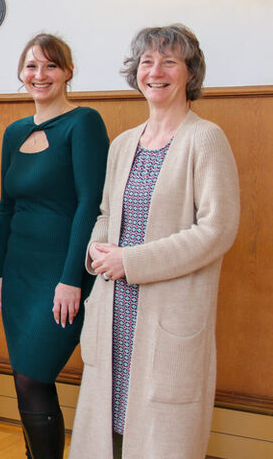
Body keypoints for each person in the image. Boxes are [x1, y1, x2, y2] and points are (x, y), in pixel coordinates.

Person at [69, 24, 240, 459]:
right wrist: (96, 251)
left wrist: (133, 261)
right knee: (108, 434)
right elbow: (106, 215)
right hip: (114, 311)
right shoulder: (124, 143)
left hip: (169, 315)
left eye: (169, 61)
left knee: (161, 439)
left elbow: (217, 229)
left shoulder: (206, 139)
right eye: (147, 61)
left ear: (189, 73)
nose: (155, 71)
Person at [0, 34, 109, 459]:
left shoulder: (84, 123)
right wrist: (0, 273)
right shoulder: (14, 131)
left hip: (61, 273)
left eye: (50, 66)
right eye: (31, 66)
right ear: (21, 74)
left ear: (67, 72)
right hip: (20, 275)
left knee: (34, 375)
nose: (39, 75)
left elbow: (89, 206)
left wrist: (70, 279)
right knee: (24, 374)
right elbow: (6, 208)